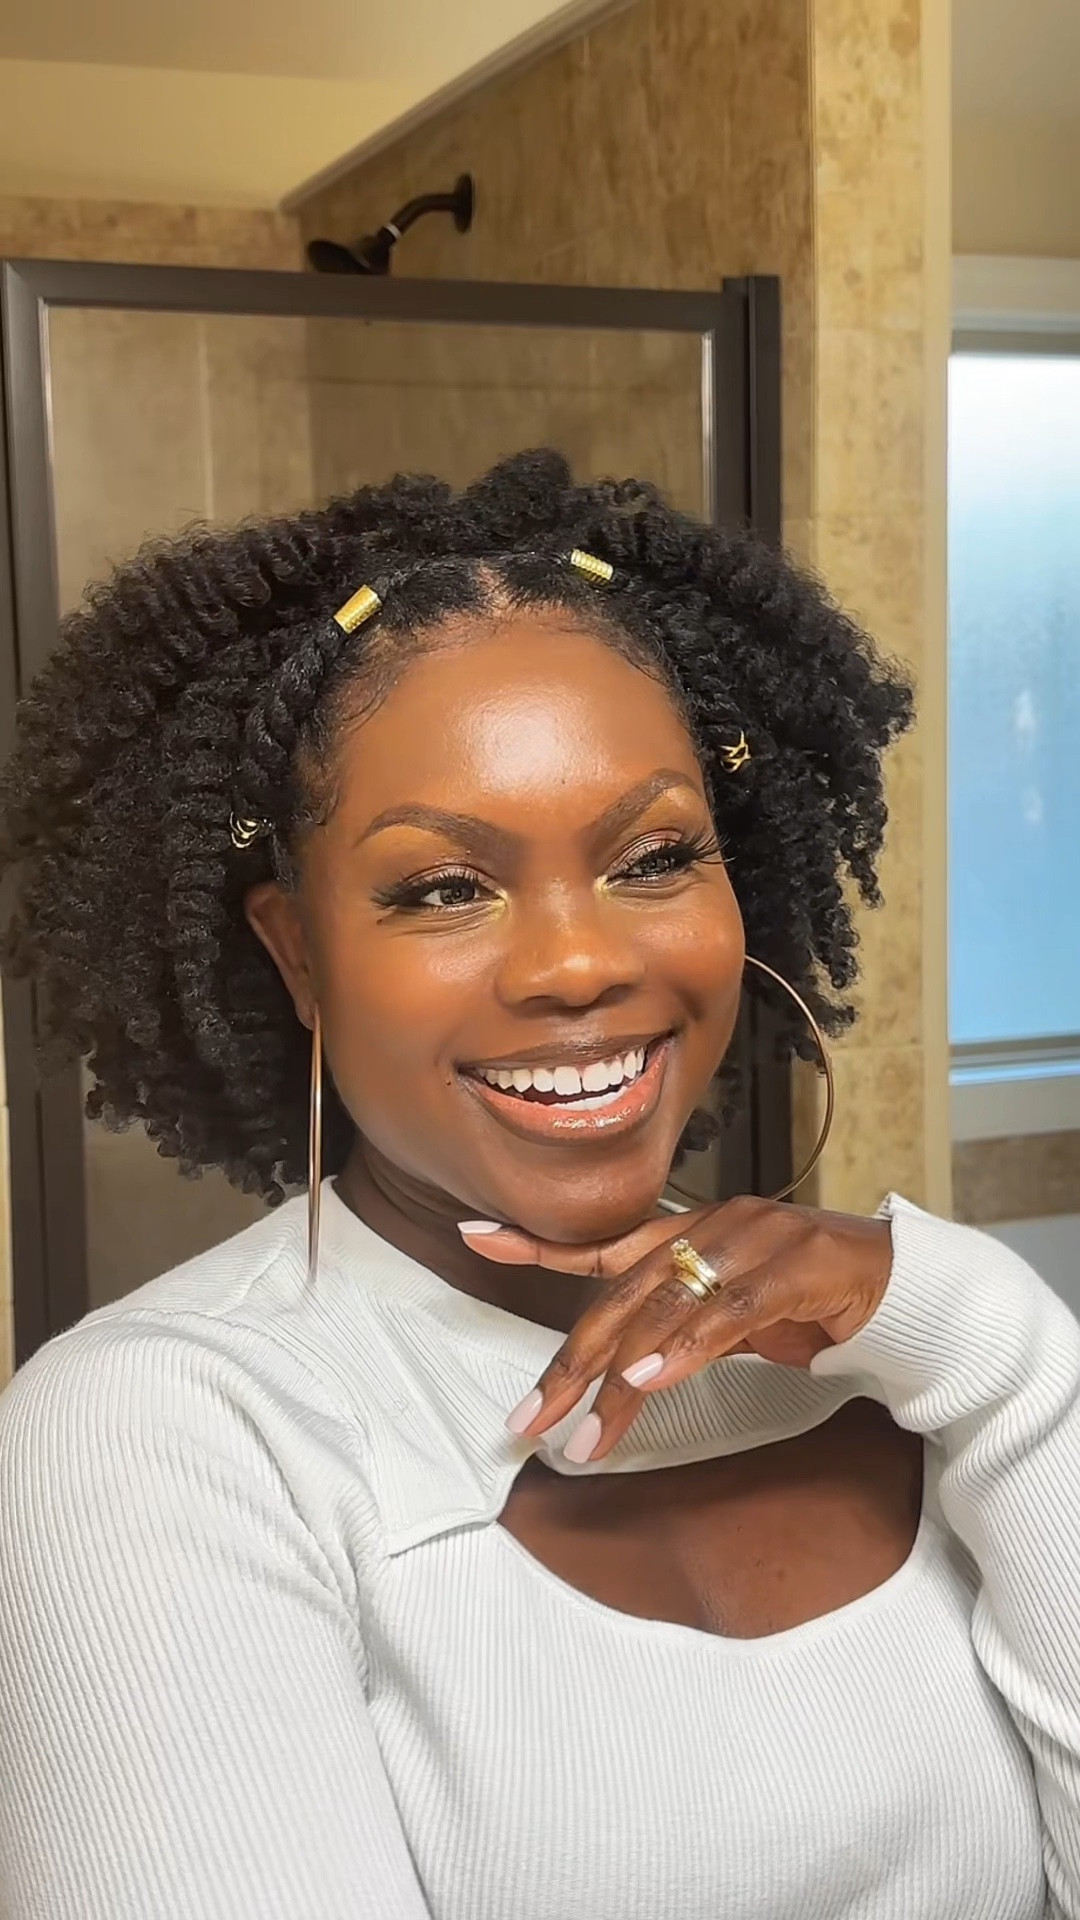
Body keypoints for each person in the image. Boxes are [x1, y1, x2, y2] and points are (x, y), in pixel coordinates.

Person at [0, 449, 1076, 1920]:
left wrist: (992, 1345)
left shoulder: (923, 1359)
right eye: (443, 887)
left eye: (653, 856)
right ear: (296, 952)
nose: (581, 963)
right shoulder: (159, 1440)